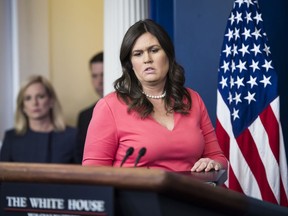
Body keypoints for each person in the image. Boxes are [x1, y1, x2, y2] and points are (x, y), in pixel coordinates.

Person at [82, 19, 228, 172]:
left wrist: (213, 163)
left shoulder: (193, 99)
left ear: (168, 55)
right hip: (137, 195)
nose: (147, 59)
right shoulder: (110, 106)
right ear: (130, 64)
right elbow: (93, 173)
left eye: (154, 50)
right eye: (138, 54)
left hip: (191, 194)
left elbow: (218, 157)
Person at [0, 75, 78, 163]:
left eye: (40, 96)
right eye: (28, 98)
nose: (34, 103)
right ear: (22, 106)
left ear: (51, 101)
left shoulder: (72, 136)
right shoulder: (11, 138)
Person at [76, 51, 104, 161]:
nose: (99, 81)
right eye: (94, 76)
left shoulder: (128, 109)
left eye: (103, 74)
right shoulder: (84, 116)